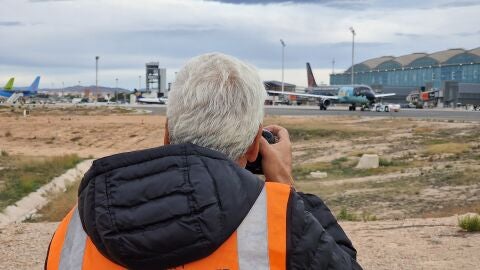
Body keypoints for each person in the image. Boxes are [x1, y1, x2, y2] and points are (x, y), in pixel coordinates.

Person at [45, 53, 362, 270]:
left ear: (167, 134)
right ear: (255, 147)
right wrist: (286, 187)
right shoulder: (281, 221)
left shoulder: (74, 227)